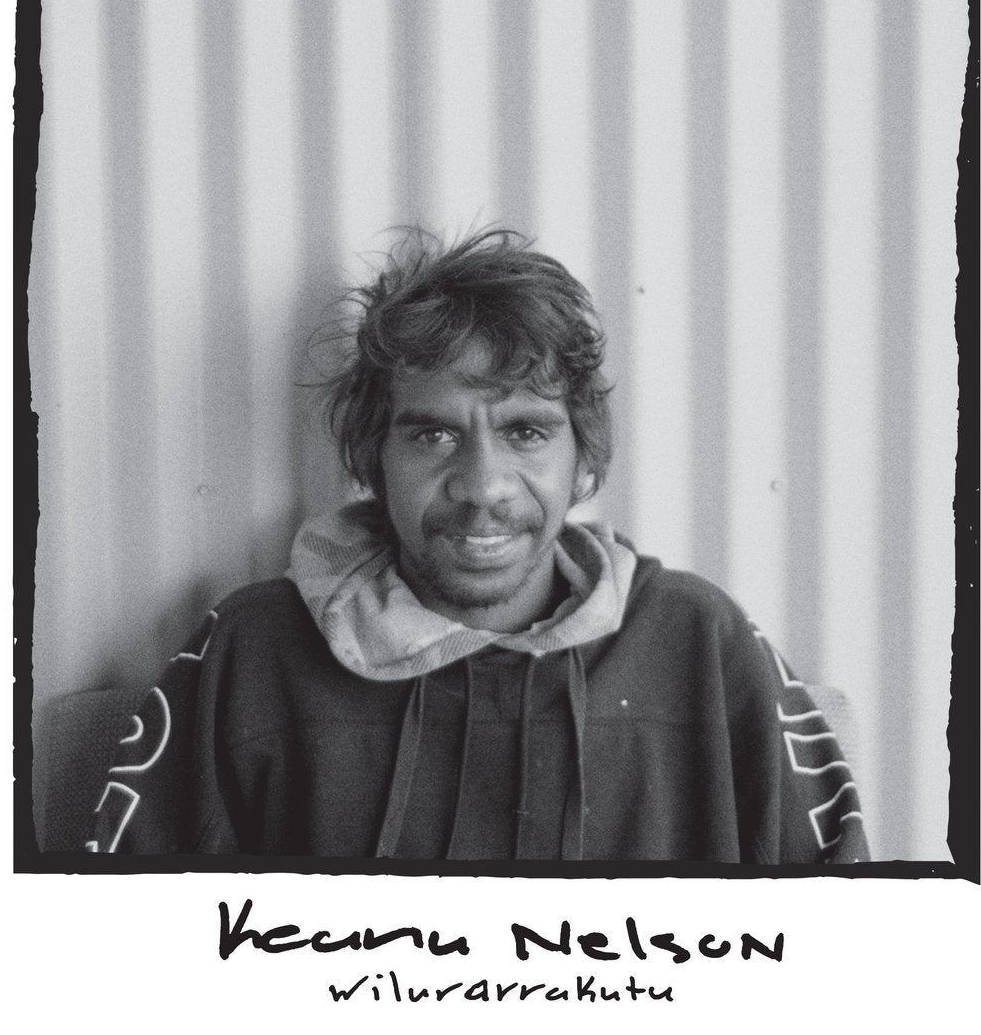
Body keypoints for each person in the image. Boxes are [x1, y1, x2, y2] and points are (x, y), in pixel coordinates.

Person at [89, 227, 868, 862]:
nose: (483, 485)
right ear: (372, 456)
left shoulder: (702, 645)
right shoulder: (251, 654)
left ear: (584, 453)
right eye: (432, 435)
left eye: (526, 432)